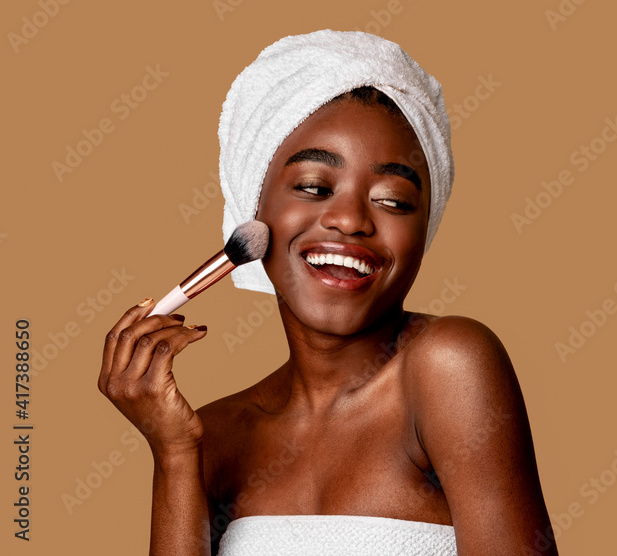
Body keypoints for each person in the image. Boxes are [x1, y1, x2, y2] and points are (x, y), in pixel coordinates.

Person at [98, 31, 556, 555]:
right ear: (254, 211)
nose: (351, 220)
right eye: (315, 187)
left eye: (394, 200)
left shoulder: (449, 366)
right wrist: (174, 453)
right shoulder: (217, 434)